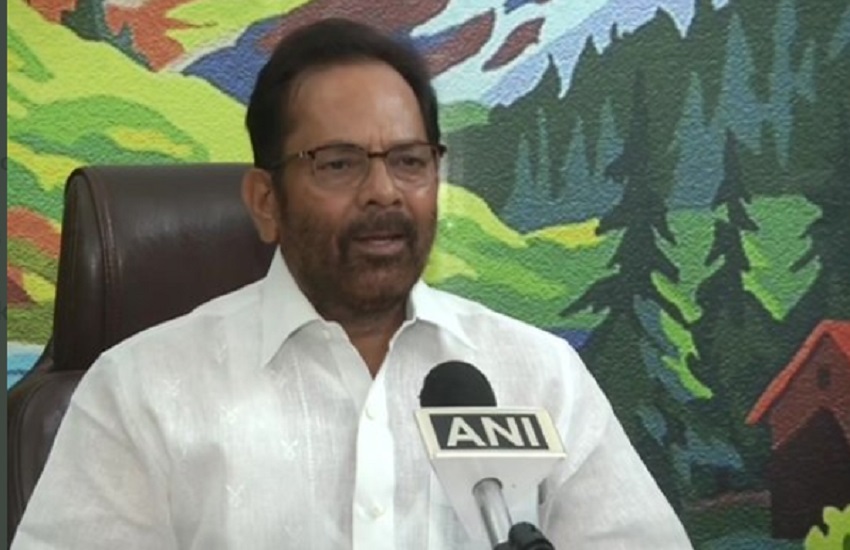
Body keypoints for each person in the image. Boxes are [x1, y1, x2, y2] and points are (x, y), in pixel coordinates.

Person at [12, 19, 693, 550]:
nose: (384, 192)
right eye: (338, 164)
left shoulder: (540, 377)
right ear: (265, 202)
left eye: (410, 161)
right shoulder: (140, 393)